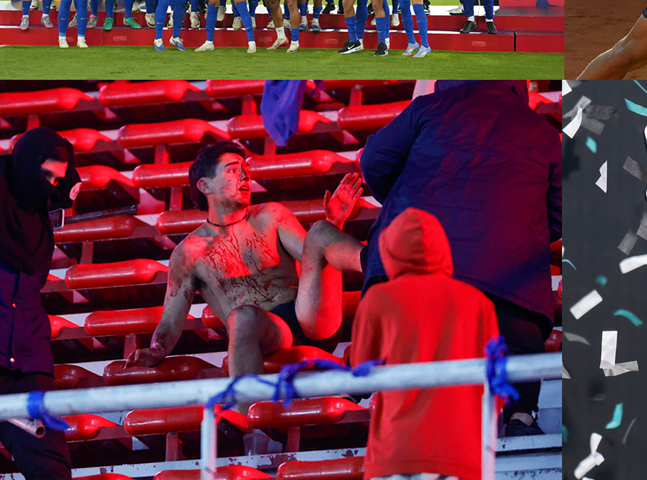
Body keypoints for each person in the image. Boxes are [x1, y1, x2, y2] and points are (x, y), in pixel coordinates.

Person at [360, 81, 562, 437]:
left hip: (415, 259)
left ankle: (412, 419)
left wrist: (407, 204)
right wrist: (519, 230)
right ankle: (520, 417)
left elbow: (374, 160)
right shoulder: (543, 132)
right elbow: (562, 209)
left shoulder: (430, 108)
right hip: (506, 271)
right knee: (516, 334)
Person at [126, 142, 365, 376]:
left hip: (310, 317)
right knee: (243, 316)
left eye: (246, 170)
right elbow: (170, 321)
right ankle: (243, 404)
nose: (245, 176)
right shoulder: (187, 253)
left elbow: (316, 259)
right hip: (265, 334)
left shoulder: (271, 214)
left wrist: (335, 222)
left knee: (320, 231)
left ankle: (376, 261)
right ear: (205, 185)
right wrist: (156, 349)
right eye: (232, 170)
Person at [0, 127, 82, 480]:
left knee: (52, 471)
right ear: (25, 162)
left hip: (26, 364)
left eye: (56, 179)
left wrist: (67, 188)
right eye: (44, 174)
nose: (49, 185)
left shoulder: (37, 217)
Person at [350, 208, 501, 480]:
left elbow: (361, 373)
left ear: (389, 250)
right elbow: (496, 387)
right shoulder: (478, 303)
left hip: (395, 449)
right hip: (460, 452)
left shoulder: (378, 299)